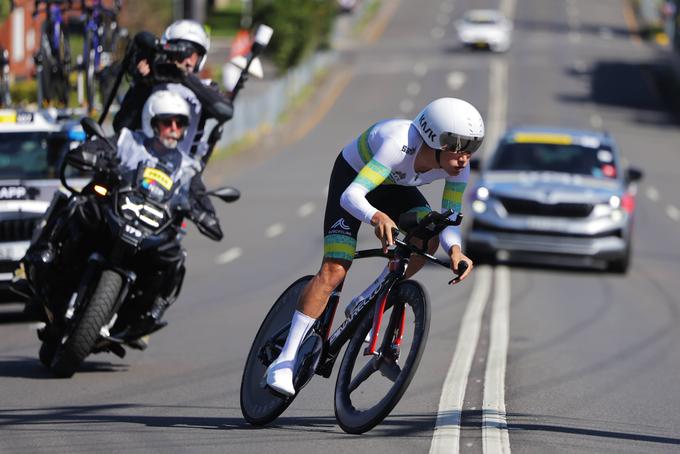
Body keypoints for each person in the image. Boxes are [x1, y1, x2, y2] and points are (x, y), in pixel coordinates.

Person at [265, 97, 485, 396]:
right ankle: (285, 360)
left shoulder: (459, 168)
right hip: (356, 179)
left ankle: (367, 298)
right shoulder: (398, 143)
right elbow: (352, 196)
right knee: (335, 269)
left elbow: (450, 218)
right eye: (457, 145)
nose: (465, 156)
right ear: (432, 138)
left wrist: (456, 251)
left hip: (397, 188)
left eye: (472, 146)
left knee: (429, 236)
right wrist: (376, 216)